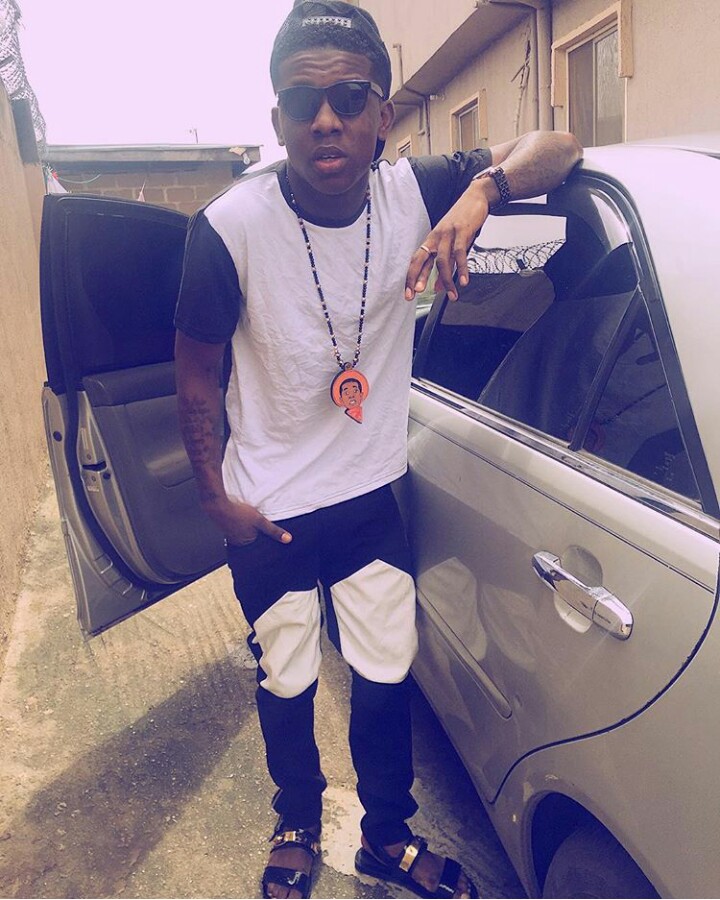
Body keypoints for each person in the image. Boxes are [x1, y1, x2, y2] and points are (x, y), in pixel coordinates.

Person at [174, 3, 582, 897]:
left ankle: (386, 839)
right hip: (269, 508)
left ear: (382, 114)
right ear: (278, 116)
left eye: (350, 97)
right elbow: (196, 374)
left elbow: (559, 144)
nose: (327, 119)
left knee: (386, 673)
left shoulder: (416, 191)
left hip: (366, 496)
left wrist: (485, 191)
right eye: (303, 101)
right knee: (286, 677)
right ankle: (296, 821)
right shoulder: (228, 227)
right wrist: (214, 501)